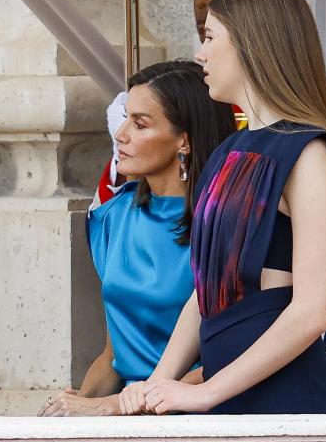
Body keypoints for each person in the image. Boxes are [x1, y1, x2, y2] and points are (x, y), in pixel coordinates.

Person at [94, 0, 326, 367]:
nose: (203, 2)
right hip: (204, 333)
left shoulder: (320, 119)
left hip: (278, 345)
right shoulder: (199, 99)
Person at [39, 61, 235, 417]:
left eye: (140, 124)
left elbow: (231, 360)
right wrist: (77, 404)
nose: (121, 134)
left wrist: (110, 407)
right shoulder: (111, 217)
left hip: (203, 419)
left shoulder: (227, 223)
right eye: (126, 117)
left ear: (184, 141)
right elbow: (114, 354)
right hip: (129, 420)